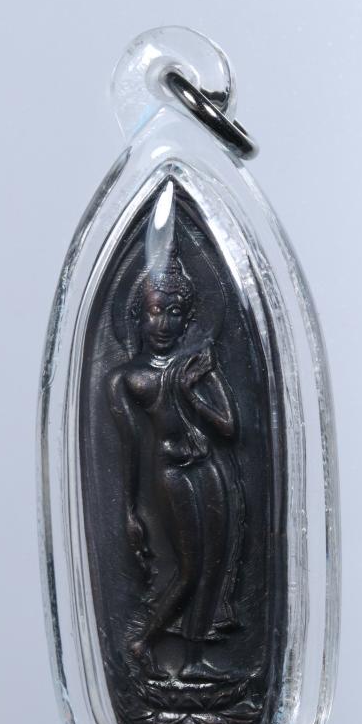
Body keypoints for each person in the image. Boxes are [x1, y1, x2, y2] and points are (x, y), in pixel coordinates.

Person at [107, 250, 243, 681]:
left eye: (174, 313)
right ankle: (142, 641)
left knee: (215, 564)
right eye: (155, 312)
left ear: (187, 320)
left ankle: (193, 660)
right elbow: (129, 448)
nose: (163, 323)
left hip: (210, 470)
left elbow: (229, 426)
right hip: (171, 474)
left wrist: (189, 392)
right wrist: (129, 511)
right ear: (138, 316)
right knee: (188, 569)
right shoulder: (127, 379)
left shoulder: (197, 365)